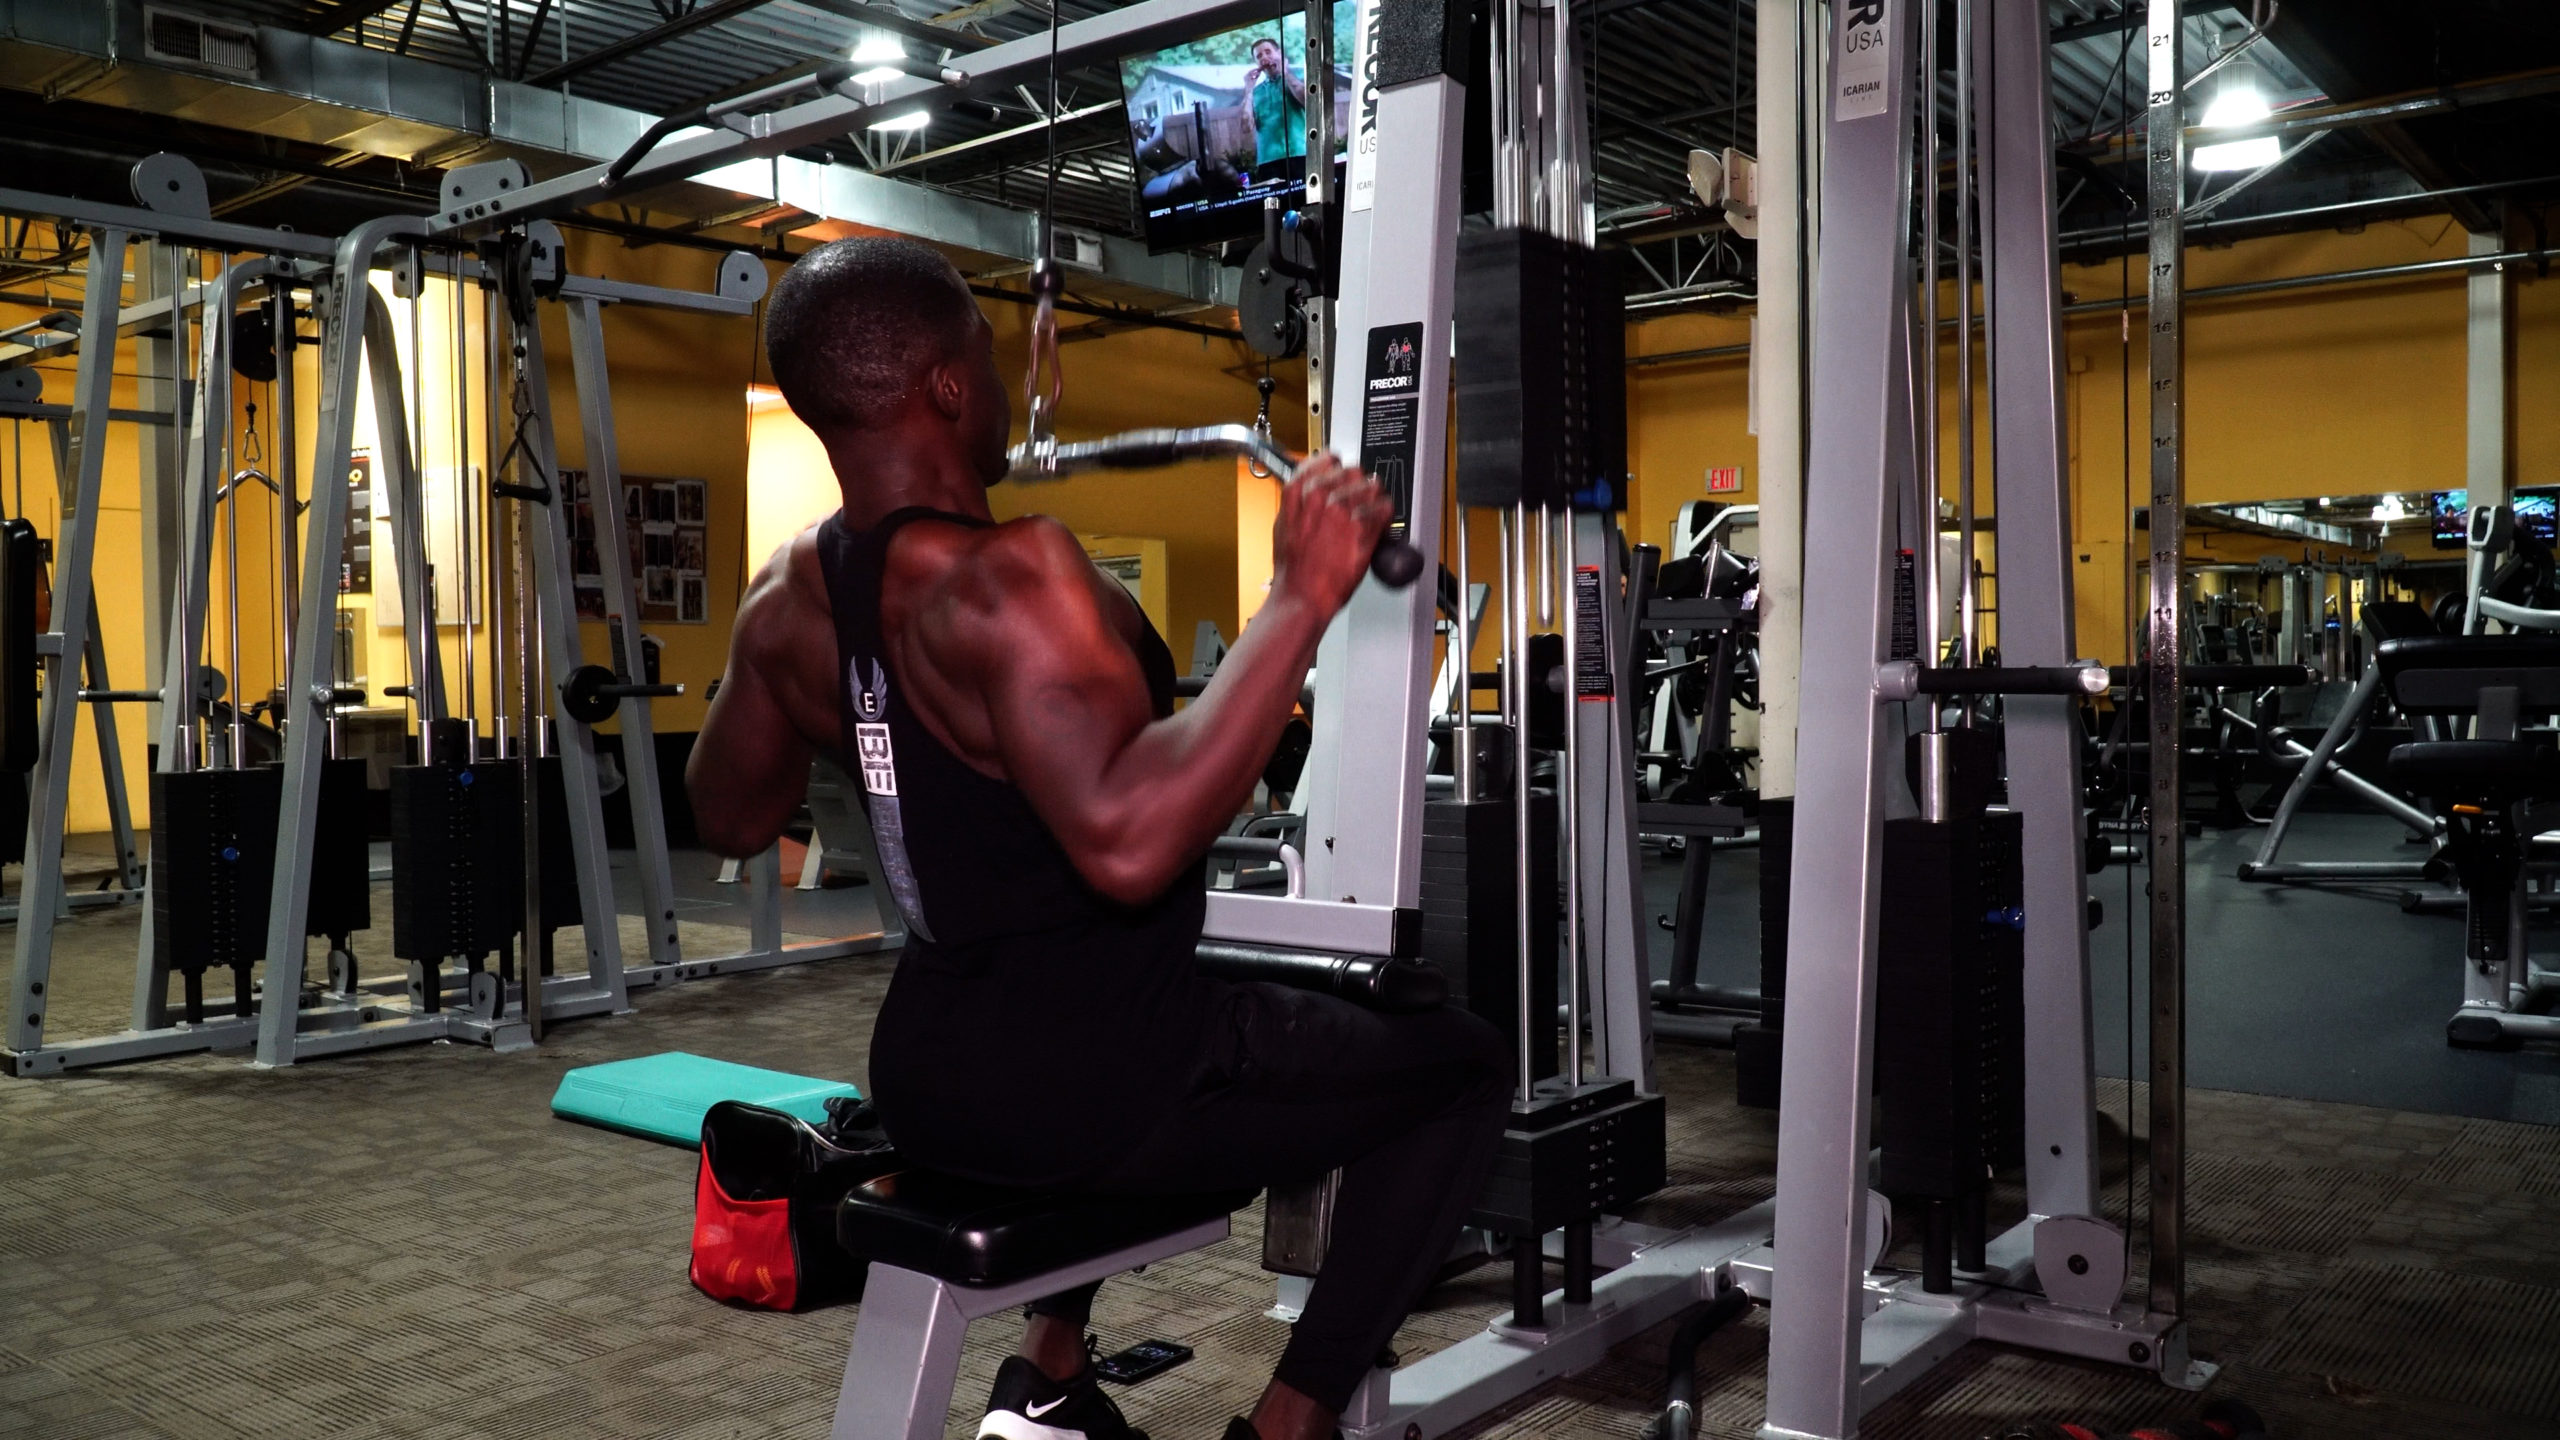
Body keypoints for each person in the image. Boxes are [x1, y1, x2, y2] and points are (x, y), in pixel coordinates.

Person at [690, 236, 1511, 1440]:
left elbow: (728, 814)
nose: (1013, 385)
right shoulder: (1013, 578)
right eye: (985, 347)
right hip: (1095, 1093)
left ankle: (1052, 1367)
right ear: (948, 386)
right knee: (1460, 1066)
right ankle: (1295, 1419)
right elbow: (1129, 847)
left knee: (1192, 1018)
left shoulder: (786, 596)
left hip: (927, 1081)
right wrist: (1297, 601)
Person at [1243, 35, 1307, 181]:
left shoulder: (1298, 77)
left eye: (1268, 52)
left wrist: (1285, 73)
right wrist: (1248, 90)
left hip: (1300, 155)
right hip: (1267, 162)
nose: (1264, 58)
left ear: (1279, 53)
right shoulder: (1255, 92)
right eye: (1259, 56)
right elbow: (1246, 127)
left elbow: (1308, 101)